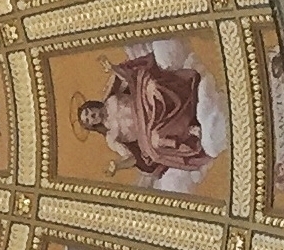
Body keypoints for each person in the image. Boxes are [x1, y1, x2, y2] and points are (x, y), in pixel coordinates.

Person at [78, 52, 212, 179]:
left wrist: (113, 67)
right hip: (146, 129)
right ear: (92, 125)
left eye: (88, 112)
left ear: (92, 105)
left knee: (152, 86)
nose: (92, 116)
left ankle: (186, 96)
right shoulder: (110, 137)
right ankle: (188, 132)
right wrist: (118, 166)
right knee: (156, 141)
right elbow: (132, 158)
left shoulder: (109, 99)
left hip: (144, 103)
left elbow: (127, 78)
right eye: (88, 120)